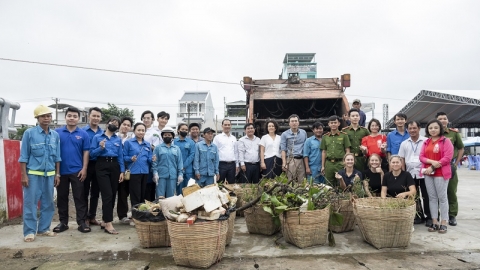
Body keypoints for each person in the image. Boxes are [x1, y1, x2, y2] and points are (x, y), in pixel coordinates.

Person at [19, 105, 61, 242]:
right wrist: (23, 175)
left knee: (48, 203)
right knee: (30, 204)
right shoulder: (29, 133)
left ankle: (43, 229)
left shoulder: (55, 135)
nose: (46, 118)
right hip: (33, 175)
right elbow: (23, 156)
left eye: (49, 116)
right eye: (43, 116)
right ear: (37, 118)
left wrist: (57, 174)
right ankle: (29, 232)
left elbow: (57, 157)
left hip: (49, 175)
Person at [54, 107, 91, 234]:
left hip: (77, 171)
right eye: (69, 115)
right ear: (65, 117)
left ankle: (82, 222)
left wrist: (84, 168)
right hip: (61, 171)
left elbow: (86, 151)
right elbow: (55, 153)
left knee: (79, 197)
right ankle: (63, 222)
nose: (72, 118)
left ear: (79, 119)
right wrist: (56, 173)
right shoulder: (57, 133)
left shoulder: (83, 134)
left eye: (75, 116)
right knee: (62, 197)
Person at [90, 116, 125, 235]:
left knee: (113, 194)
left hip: (114, 166)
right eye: (112, 122)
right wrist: (100, 148)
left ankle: (105, 220)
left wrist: (122, 171)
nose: (114, 125)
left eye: (117, 124)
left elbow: (120, 155)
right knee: (107, 194)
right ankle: (109, 222)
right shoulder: (97, 137)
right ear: (107, 124)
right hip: (101, 165)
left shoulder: (118, 139)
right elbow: (91, 154)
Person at [420, 119, 453, 234]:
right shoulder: (426, 142)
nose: (433, 130)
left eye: (435, 128)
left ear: (440, 129)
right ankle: (435, 221)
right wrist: (432, 162)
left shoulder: (446, 141)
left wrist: (433, 167)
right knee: (432, 198)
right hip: (428, 174)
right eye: (430, 128)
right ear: (427, 130)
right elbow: (421, 157)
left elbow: (447, 158)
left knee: (442, 198)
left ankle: (444, 222)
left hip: (441, 174)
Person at [398, 120, 431, 226]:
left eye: (414, 128)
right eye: (410, 128)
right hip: (410, 174)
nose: (412, 130)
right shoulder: (404, 143)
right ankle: (418, 216)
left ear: (419, 129)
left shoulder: (426, 141)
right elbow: (402, 159)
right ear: (407, 130)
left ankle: (429, 217)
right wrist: (403, 173)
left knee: (427, 196)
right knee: (413, 196)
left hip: (425, 173)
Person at [436, 112, 464, 226]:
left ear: (447, 121)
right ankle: (437, 215)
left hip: (450, 166)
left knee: (451, 191)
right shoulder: (433, 134)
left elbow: (461, 148)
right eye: (440, 119)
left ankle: (452, 215)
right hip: (437, 166)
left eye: (444, 118)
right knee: (437, 192)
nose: (442, 120)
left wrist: (456, 163)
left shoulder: (454, 134)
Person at [123, 123, 152, 219]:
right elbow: (123, 157)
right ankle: (136, 217)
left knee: (142, 194)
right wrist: (130, 158)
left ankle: (141, 215)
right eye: (139, 130)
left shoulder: (147, 144)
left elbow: (149, 158)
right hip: (134, 172)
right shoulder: (128, 142)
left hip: (145, 172)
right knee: (135, 195)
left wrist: (152, 159)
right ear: (134, 130)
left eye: (143, 130)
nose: (141, 132)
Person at [82, 107, 103, 227]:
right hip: (86, 164)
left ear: (100, 118)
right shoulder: (82, 131)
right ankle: (84, 217)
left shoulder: (103, 133)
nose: (95, 118)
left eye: (98, 116)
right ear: (89, 116)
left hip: (99, 165)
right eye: (93, 116)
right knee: (84, 192)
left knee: (95, 192)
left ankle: (92, 216)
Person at [152, 127, 183, 198]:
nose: (167, 136)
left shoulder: (176, 148)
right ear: (162, 136)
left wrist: (180, 174)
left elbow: (179, 162)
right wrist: (155, 173)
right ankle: (159, 209)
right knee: (160, 197)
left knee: (171, 197)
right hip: (161, 176)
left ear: (172, 136)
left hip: (172, 176)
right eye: (165, 135)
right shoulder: (158, 148)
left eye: (169, 135)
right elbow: (154, 162)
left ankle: (169, 210)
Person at [321, 115, 351, 186]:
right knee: (328, 184)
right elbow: (324, 152)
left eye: (335, 122)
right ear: (329, 124)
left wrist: (346, 164)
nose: (333, 124)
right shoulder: (325, 137)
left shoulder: (344, 135)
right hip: (329, 164)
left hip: (340, 163)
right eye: (331, 123)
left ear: (339, 124)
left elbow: (347, 150)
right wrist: (323, 166)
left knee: (341, 182)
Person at [116, 116, 134, 225]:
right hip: (115, 169)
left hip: (128, 170)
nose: (126, 127)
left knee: (125, 192)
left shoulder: (131, 140)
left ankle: (126, 215)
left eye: (128, 125)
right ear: (120, 125)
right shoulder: (114, 136)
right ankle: (109, 217)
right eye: (124, 124)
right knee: (115, 193)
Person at [280, 114, 308, 183]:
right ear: (289, 123)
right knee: (290, 180)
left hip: (301, 159)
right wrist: (284, 163)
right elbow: (283, 149)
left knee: (302, 180)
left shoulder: (303, 132)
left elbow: (306, 147)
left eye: (296, 121)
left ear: (298, 123)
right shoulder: (284, 134)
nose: (294, 123)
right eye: (292, 121)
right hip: (291, 159)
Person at [141, 110, 160, 202]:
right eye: (144, 118)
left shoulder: (155, 132)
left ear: (152, 120)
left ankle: (150, 207)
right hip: (138, 162)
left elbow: (155, 148)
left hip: (150, 162)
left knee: (149, 186)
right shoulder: (138, 129)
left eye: (148, 118)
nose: (146, 120)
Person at [213, 119, 239, 183]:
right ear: (222, 126)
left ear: (231, 126)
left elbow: (235, 152)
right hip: (221, 165)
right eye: (225, 125)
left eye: (228, 125)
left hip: (232, 165)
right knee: (220, 184)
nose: (227, 126)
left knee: (231, 184)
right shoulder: (217, 138)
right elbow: (214, 152)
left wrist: (237, 165)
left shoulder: (234, 138)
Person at [174, 123, 195, 195]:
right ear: (178, 130)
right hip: (177, 169)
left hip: (188, 170)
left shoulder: (191, 142)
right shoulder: (173, 142)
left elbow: (192, 155)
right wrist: (179, 167)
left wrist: (184, 166)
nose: (184, 131)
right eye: (182, 129)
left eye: (186, 130)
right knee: (179, 191)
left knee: (189, 191)